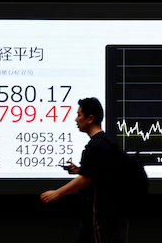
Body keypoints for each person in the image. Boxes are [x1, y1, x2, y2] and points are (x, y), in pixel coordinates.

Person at [40, 97, 122, 243]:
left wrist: (56, 193)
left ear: (90, 118)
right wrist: (80, 169)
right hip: (107, 215)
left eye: (79, 115)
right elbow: (101, 173)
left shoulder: (94, 146)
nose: (76, 119)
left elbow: (86, 179)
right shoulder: (107, 142)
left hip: (98, 217)